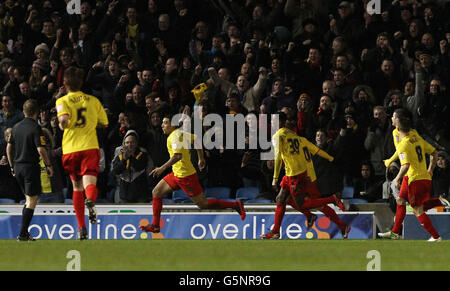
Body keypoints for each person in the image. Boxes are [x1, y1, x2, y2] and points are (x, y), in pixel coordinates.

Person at [139, 114, 246, 233]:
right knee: (156, 192)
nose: (162, 125)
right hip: (177, 174)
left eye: (165, 123)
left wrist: (162, 168)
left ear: (173, 125)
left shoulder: (174, 137)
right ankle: (155, 225)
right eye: (163, 123)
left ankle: (235, 205)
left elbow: (177, 156)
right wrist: (201, 158)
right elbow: (197, 139)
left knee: (203, 204)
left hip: (186, 176)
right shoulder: (180, 133)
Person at [261, 112, 347, 239]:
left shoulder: (278, 136)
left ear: (282, 122)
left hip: (300, 175)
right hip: (299, 173)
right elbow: (316, 150)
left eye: (276, 121)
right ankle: (276, 230)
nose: (274, 123)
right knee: (282, 199)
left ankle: (332, 203)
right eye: (273, 121)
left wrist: (274, 177)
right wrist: (331, 158)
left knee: (313, 205)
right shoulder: (297, 137)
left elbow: (278, 157)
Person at [56, 66, 109, 240]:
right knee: (89, 183)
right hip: (89, 146)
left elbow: (63, 120)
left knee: (76, 187)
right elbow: (104, 123)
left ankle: (81, 227)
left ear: (65, 84)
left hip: (71, 149)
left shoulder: (62, 101)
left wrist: (62, 125)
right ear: (81, 82)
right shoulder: (93, 101)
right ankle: (91, 201)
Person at [380, 109, 449, 239]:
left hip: (414, 178)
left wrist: (397, 178)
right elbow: (434, 152)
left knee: (418, 209)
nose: (391, 118)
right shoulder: (415, 135)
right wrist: (430, 170)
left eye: (394, 117)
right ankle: (395, 232)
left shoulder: (403, 142)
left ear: (398, 122)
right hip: (418, 175)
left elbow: (405, 163)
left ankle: (436, 236)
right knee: (400, 200)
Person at [6, 99, 53, 241]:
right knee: (32, 200)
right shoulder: (35, 128)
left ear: (24, 111)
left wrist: (12, 165)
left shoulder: (15, 127)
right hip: (30, 167)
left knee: (28, 200)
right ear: (36, 112)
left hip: (18, 167)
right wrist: (48, 165)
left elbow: (8, 148)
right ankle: (22, 234)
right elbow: (41, 149)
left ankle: (24, 233)